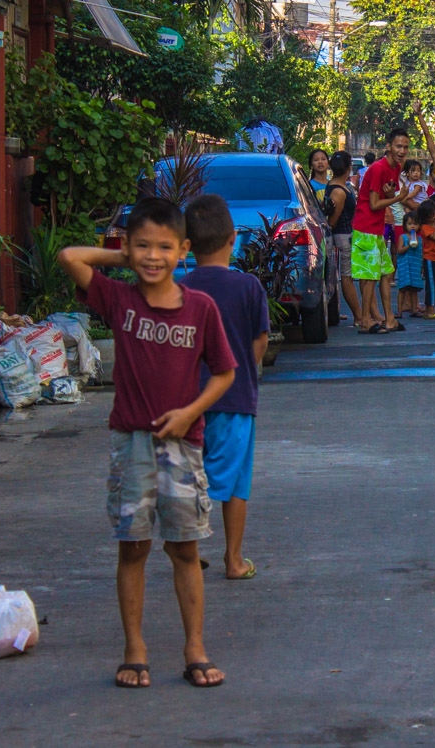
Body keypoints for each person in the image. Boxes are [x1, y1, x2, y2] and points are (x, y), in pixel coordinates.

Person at [57, 197, 237, 690]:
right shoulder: (119, 301)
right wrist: (125, 258)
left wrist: (190, 412)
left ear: (184, 251)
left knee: (184, 547)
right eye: (142, 246)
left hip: (183, 447)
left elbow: (225, 372)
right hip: (130, 444)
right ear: (128, 248)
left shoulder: (200, 308)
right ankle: (134, 648)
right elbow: (70, 257)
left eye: (164, 247)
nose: (153, 256)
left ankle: (194, 647)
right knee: (132, 547)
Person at [180, 194, 270, 582]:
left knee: (190, 474)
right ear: (234, 238)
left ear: (187, 244)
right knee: (235, 483)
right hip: (235, 398)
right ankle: (233, 560)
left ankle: (190, 550)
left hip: (186, 402)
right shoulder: (248, 287)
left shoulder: (179, 288)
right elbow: (259, 342)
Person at [353, 127, 410, 334]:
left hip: (377, 228)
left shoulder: (394, 167)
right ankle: (365, 321)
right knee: (369, 277)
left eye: (405, 147)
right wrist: (399, 198)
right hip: (366, 227)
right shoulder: (377, 168)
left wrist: (394, 194)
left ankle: (389, 319)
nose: (402, 151)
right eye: (398, 146)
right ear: (388, 146)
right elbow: (375, 203)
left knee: (386, 273)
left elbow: (389, 191)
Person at [325, 151, 362, 325]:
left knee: (345, 277)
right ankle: (359, 317)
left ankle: (359, 315)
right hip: (342, 236)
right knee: (347, 278)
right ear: (349, 168)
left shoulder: (338, 186)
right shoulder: (339, 191)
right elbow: (333, 221)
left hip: (345, 235)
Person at [417, 200, 435, 320]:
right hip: (430, 258)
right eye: (433, 214)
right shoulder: (425, 227)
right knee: (432, 285)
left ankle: (430, 308)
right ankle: (430, 309)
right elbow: (434, 237)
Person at [395, 212, 423, 316]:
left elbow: (421, 253)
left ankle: (414, 309)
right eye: (410, 224)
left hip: (415, 266)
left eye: (415, 224)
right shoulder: (403, 237)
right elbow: (399, 250)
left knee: (414, 289)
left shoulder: (419, 239)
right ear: (405, 225)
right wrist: (409, 246)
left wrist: (422, 267)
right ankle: (399, 311)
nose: (412, 226)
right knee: (402, 289)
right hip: (405, 266)